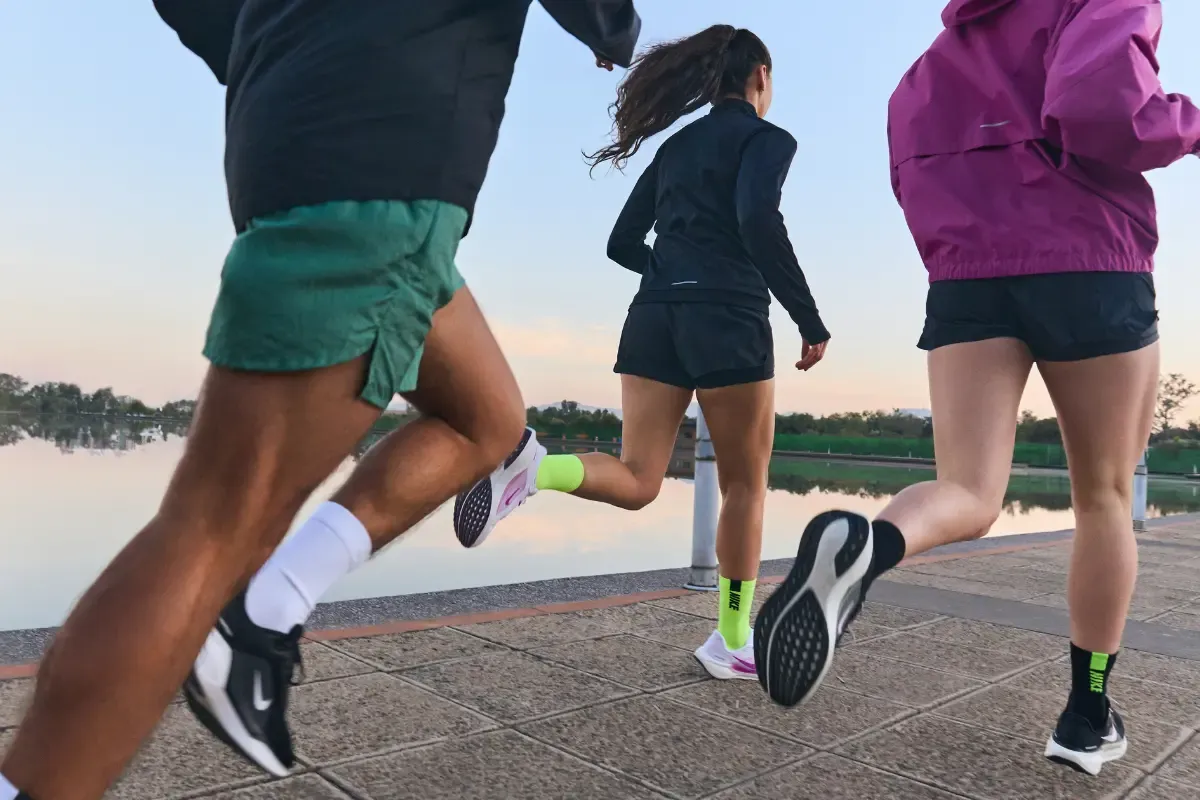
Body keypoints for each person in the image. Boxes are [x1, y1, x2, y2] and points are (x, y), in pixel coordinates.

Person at [0, 1, 640, 796]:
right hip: (387, 159)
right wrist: (612, 26)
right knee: (212, 528)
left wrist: (272, 47)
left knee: (489, 422)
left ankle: (267, 611)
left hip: (307, 137)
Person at [754, 0, 1200, 778]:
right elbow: (1104, 108)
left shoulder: (939, 55)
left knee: (968, 487)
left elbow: (907, 166)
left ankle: (868, 546)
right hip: (1088, 259)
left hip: (968, 276)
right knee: (1101, 497)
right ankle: (1086, 717)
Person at [452, 25, 831, 682]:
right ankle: (730, 640)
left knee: (637, 478)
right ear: (760, 78)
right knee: (745, 487)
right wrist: (808, 317)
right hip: (728, 317)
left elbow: (622, 241)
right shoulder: (769, 140)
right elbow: (756, 219)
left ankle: (534, 468)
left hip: (654, 314)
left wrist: (672, 270)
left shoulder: (677, 146)